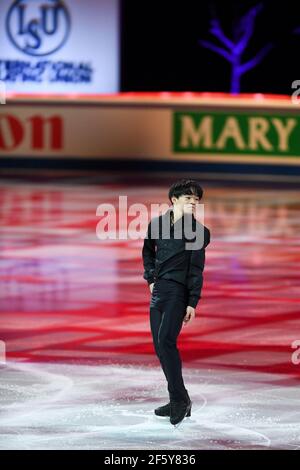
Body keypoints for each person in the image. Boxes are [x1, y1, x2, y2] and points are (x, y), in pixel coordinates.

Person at [142, 179, 210, 426]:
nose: (193, 203)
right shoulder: (157, 224)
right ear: (174, 199)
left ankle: (180, 400)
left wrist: (192, 301)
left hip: (178, 292)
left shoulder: (199, 232)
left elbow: (196, 270)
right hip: (159, 290)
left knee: (166, 342)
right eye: (189, 198)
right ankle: (179, 398)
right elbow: (148, 251)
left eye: (196, 200)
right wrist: (150, 278)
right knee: (160, 347)